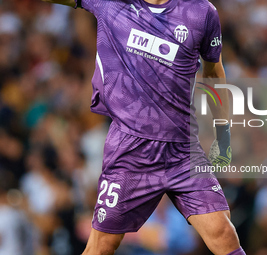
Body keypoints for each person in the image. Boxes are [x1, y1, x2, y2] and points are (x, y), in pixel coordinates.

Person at [41, 0, 246, 254]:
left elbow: (214, 73)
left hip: (183, 150)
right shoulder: (112, 3)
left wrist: (223, 133)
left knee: (223, 231)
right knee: (101, 246)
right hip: (131, 152)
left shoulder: (202, 12)